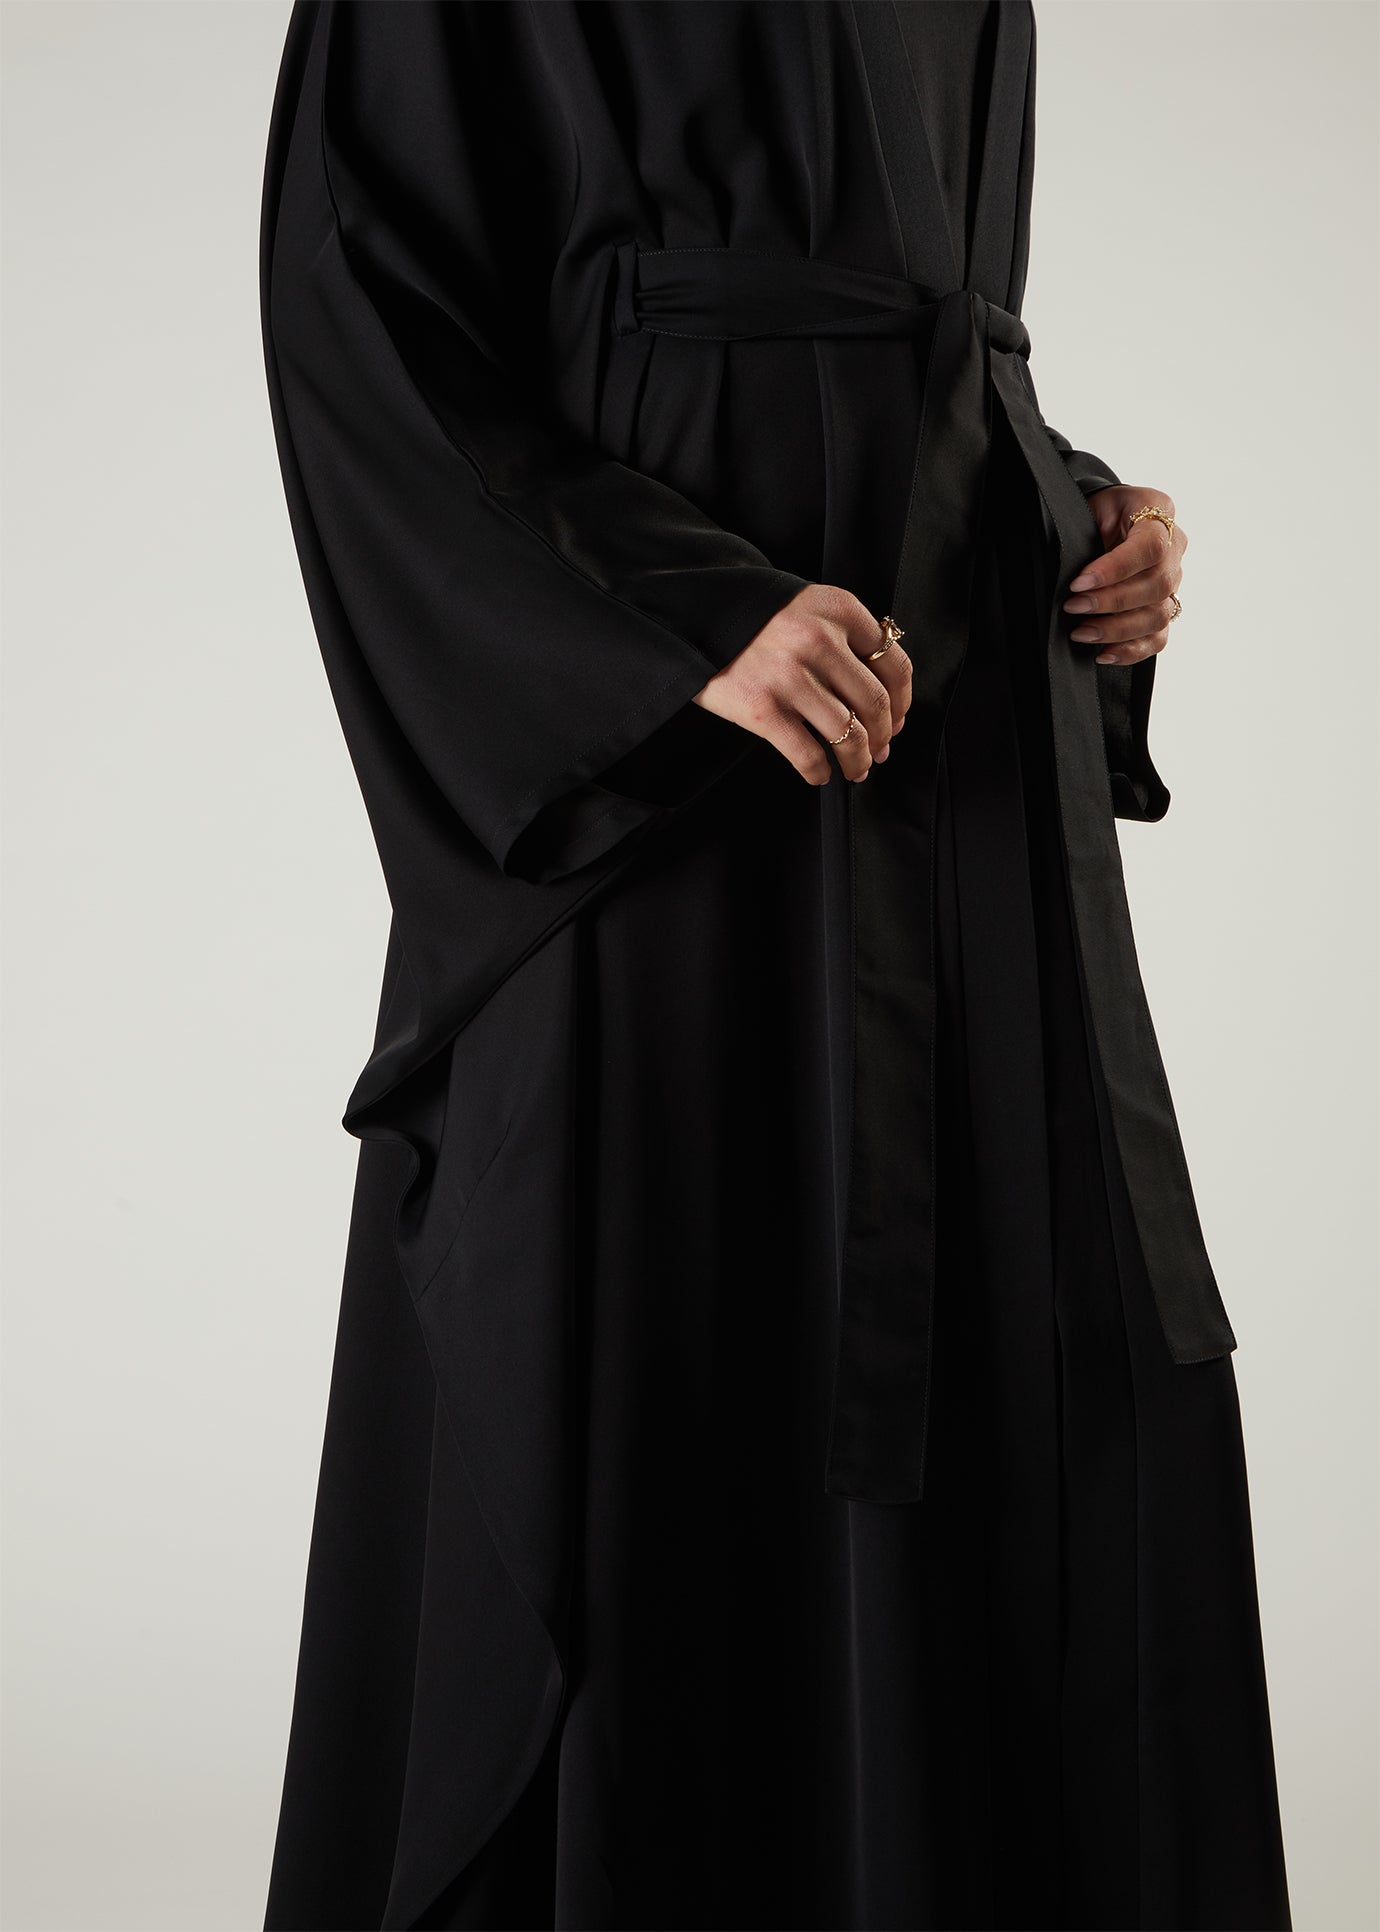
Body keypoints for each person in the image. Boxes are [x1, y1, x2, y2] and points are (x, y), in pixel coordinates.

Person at [258, 4, 1292, 1927]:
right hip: (678, 793)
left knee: (1019, 1371)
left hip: (959, 750)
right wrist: (685, 621)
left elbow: (917, 333)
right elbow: (365, 314)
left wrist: (1079, 506)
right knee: (660, 1341)